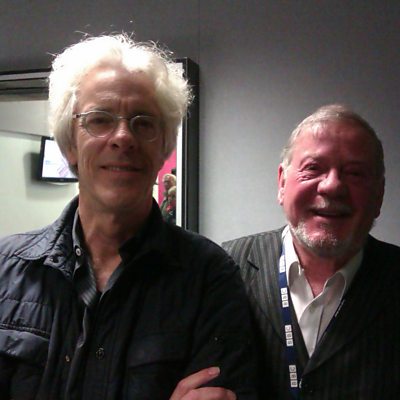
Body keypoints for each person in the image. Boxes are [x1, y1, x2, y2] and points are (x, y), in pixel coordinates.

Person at [0, 34, 256, 400]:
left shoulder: (209, 278)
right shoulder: (6, 271)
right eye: (100, 120)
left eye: (143, 122)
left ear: (164, 146)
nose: (123, 137)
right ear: (69, 144)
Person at [222, 104, 400, 399]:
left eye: (355, 173)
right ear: (282, 182)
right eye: (313, 168)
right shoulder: (222, 268)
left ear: (379, 194)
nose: (332, 186)